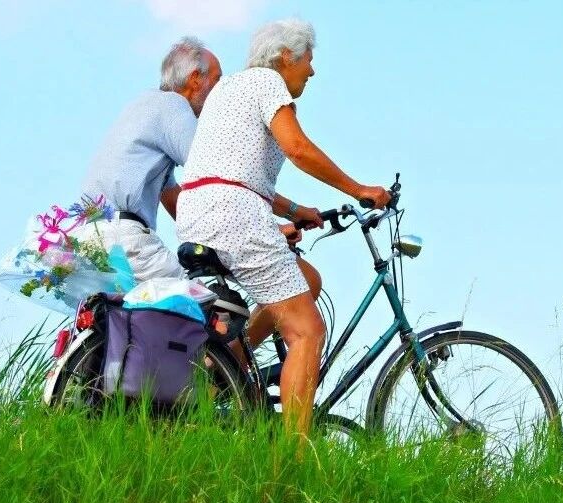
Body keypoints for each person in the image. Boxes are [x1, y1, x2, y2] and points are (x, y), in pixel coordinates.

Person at [175, 18, 391, 435]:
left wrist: (294, 210)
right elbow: (297, 147)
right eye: (309, 60)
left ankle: (228, 368)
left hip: (200, 210)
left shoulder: (230, 89)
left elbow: (232, 168)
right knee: (307, 331)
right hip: (233, 214)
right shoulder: (267, 82)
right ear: (286, 56)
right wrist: (358, 188)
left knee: (306, 280)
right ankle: (293, 462)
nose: (311, 71)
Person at [78, 37, 221, 282]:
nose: (220, 92)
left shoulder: (143, 105)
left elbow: (173, 197)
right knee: (204, 306)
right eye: (217, 80)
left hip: (89, 239)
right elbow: (216, 172)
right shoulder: (174, 106)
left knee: (127, 317)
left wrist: (218, 237)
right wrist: (264, 229)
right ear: (195, 78)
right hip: (124, 239)